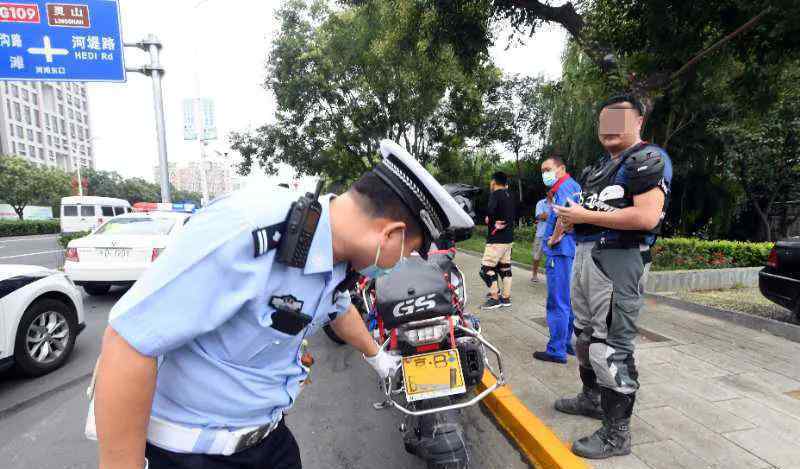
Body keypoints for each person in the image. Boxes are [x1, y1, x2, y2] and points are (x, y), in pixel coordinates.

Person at [92, 139, 474, 469]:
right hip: (193, 454)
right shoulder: (247, 231)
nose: (400, 264)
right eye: (407, 252)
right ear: (390, 234)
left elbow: (338, 308)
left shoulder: (333, 256)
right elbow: (129, 341)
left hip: (269, 440)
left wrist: (379, 358)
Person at [552, 95, 672, 459]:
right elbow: (588, 211)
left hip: (620, 260)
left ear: (638, 121)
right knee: (584, 337)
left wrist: (587, 217)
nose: (609, 128)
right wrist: (567, 221)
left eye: (618, 119)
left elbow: (647, 218)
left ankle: (618, 434)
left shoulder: (649, 159)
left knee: (610, 348)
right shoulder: (597, 169)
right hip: (586, 257)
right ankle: (592, 398)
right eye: (604, 121)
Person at [532, 155, 580, 364]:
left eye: (548, 169)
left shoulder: (563, 188)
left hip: (560, 251)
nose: (545, 174)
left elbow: (564, 216)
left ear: (561, 168)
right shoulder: (572, 186)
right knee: (567, 300)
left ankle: (556, 349)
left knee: (557, 302)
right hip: (569, 250)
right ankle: (567, 343)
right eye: (542, 171)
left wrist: (552, 239)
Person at [480, 171, 515, 310]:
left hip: (496, 238)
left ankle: (494, 297)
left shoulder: (495, 195)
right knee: (505, 268)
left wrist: (490, 218)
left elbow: (490, 212)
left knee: (486, 268)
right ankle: (506, 298)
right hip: (508, 238)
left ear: (494, 182)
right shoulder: (511, 195)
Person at [530, 197, 550, 283]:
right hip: (541, 233)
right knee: (536, 256)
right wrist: (552, 216)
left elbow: (545, 216)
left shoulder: (558, 202)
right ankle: (534, 275)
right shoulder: (541, 203)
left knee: (552, 257)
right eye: (551, 191)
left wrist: (546, 215)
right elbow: (539, 216)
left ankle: (551, 277)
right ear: (547, 192)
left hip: (553, 234)